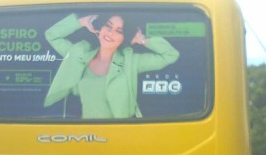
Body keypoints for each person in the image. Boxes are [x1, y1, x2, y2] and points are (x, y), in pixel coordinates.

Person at [44, 14, 179, 119]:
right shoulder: (80, 55)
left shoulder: (131, 62)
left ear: (124, 37)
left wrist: (142, 39)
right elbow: (52, 35)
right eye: (108, 26)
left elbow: (170, 55)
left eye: (118, 31)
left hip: (119, 136)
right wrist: (82, 22)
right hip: (86, 135)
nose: (110, 33)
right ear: (100, 28)